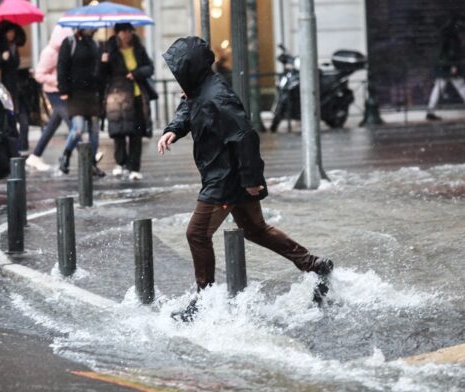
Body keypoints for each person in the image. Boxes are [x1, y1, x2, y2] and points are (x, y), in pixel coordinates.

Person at [157, 37, 334, 321]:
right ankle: (314, 265)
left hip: (225, 179)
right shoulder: (199, 90)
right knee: (256, 229)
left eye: (178, 70)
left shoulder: (218, 97)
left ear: (190, 68)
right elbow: (187, 108)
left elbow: (245, 137)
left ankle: (204, 302)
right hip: (226, 175)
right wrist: (173, 130)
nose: (176, 77)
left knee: (197, 234)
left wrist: (252, 180)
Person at [101, 23, 154, 181]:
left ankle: (134, 167)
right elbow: (102, 75)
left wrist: (136, 73)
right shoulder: (109, 49)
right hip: (117, 96)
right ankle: (120, 163)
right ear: (117, 33)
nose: (127, 34)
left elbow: (149, 68)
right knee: (119, 131)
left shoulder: (138, 48)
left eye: (129, 31)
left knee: (136, 133)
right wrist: (104, 61)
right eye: (123, 31)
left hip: (136, 95)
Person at [57, 28, 105, 177]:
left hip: (92, 93)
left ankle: (92, 164)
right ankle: (65, 155)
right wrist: (63, 90)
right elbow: (62, 66)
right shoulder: (70, 42)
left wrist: (104, 62)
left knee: (94, 132)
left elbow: (100, 71)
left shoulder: (96, 44)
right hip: (75, 94)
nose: (90, 28)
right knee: (78, 129)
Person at [26, 26, 74, 172]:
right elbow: (39, 75)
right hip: (53, 92)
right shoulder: (49, 53)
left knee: (53, 124)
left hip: (61, 90)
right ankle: (89, 154)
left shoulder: (64, 52)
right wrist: (58, 80)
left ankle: (35, 155)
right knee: (72, 122)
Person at [425, 14, 465, 121]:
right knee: (461, 86)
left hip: (442, 66)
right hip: (449, 67)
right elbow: (452, 52)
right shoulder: (453, 37)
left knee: (438, 88)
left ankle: (430, 111)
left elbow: (442, 52)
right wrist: (453, 65)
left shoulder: (444, 34)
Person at [0, 21, 30, 152]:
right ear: (3, 33)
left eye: (13, 32)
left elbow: (14, 68)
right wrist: (1, 58)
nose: (11, 34)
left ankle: (18, 152)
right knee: (7, 124)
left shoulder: (14, 48)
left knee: (19, 122)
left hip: (14, 90)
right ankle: (10, 153)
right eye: (9, 32)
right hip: (1, 91)